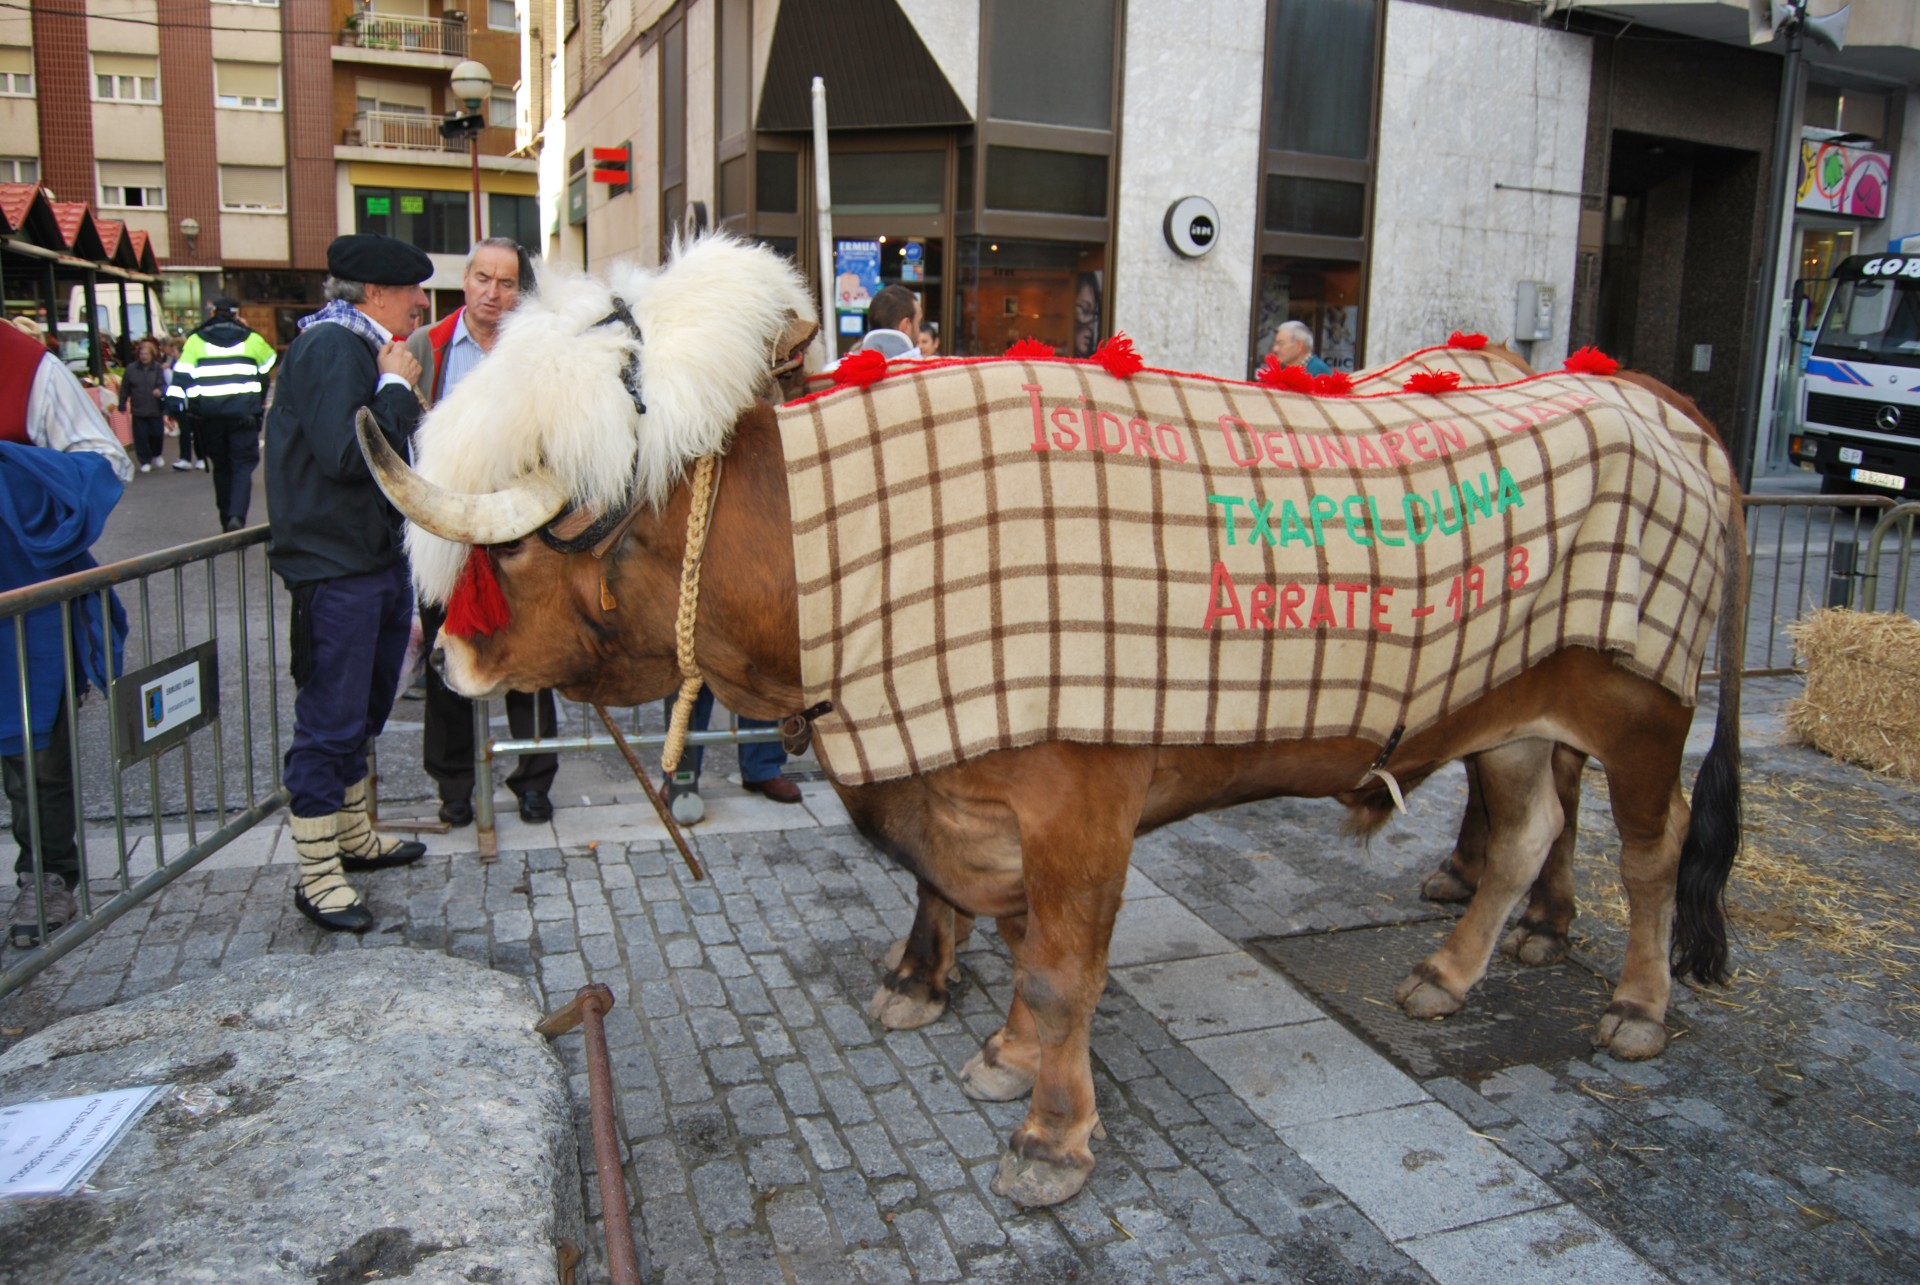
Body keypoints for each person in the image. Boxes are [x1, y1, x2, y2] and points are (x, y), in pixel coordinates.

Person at [265, 234, 433, 933]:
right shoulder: (334, 347)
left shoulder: (358, 345)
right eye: (413, 291)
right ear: (375, 294)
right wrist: (394, 385)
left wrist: (399, 387)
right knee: (330, 718)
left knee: (362, 709)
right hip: (336, 569)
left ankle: (353, 838)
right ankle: (317, 874)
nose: (423, 303)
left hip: (367, 561)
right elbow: (348, 454)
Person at [405, 238, 558, 827]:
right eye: (484, 279)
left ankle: (534, 779)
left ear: (522, 290)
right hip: (446, 532)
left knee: (532, 661)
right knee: (450, 666)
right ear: (465, 280)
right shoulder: (428, 347)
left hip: (523, 534)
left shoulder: (538, 352)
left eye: (508, 282)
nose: (494, 293)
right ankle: (454, 787)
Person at [2, 316, 131, 949]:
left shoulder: (27, 367)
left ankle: (47, 873)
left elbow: (105, 461)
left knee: (33, 753)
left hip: (21, 601)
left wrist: (11, 471)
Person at [168, 297, 277, 529]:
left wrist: (173, 404)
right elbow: (269, 364)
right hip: (244, 416)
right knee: (241, 466)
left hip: (209, 417)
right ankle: (237, 516)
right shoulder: (251, 338)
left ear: (213, 313)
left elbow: (182, 375)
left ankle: (225, 516)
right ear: (236, 314)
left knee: (221, 467)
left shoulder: (196, 340)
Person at [836, 284, 923, 365]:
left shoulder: (834, 370)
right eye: (918, 323)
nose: (919, 331)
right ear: (906, 325)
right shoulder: (926, 373)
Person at [118, 337, 169, 474]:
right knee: (141, 436)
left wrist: (160, 390)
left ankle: (156, 453)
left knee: (157, 434)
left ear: (152, 354)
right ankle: (145, 461)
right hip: (138, 408)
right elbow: (125, 388)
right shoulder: (131, 369)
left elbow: (163, 384)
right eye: (141, 354)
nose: (143, 357)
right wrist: (122, 403)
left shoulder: (157, 368)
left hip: (155, 408)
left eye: (146, 354)